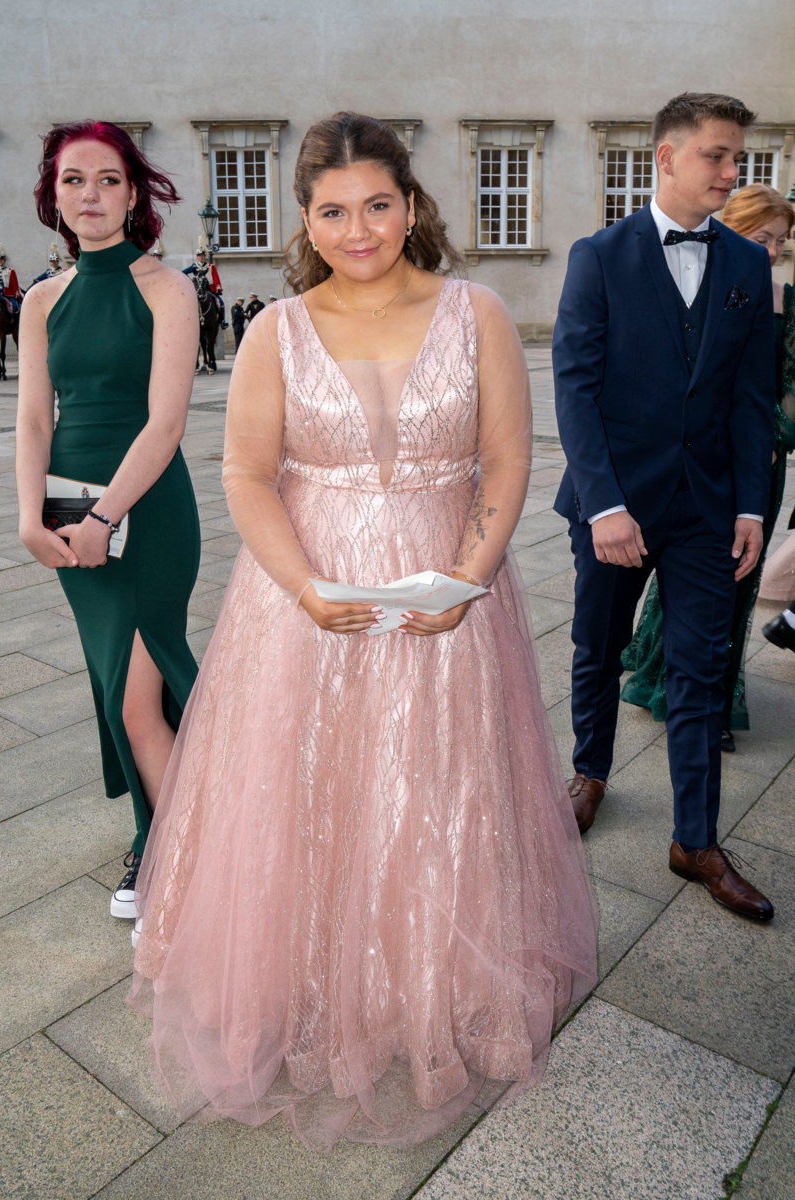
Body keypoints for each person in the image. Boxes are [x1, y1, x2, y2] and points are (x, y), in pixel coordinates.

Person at [130, 112, 597, 1151]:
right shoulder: (274, 330)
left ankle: (430, 982)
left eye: (377, 204)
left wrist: (465, 580)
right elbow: (247, 476)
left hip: (448, 590)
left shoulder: (474, 313)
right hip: (305, 605)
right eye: (333, 210)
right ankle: (304, 983)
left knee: (440, 790)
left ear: (411, 203)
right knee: (309, 790)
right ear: (305, 217)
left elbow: (508, 462)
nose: (358, 229)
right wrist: (303, 587)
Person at [553, 92, 776, 920]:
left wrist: (752, 508)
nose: (732, 172)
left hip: (708, 509)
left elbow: (753, 401)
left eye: (737, 158)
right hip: (613, 505)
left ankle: (696, 839)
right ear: (667, 157)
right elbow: (574, 389)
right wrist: (604, 504)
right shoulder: (598, 256)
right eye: (718, 155)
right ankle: (590, 772)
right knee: (598, 645)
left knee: (701, 668)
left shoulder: (751, 267)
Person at [16, 120, 201, 923]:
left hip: (148, 513)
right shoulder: (40, 299)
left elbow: (165, 425)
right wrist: (31, 516)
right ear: (53, 196)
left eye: (107, 180)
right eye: (73, 181)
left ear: (135, 194)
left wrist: (103, 513)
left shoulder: (166, 287)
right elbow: (31, 417)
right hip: (67, 511)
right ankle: (169, 827)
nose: (89, 195)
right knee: (115, 683)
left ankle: (175, 853)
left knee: (134, 697)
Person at [622, 184, 795, 748]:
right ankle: (665, 677)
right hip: (690, 459)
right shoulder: (689, 284)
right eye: (760, 237)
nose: (769, 250)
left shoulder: (784, 301)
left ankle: (713, 699)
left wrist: (770, 435)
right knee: (677, 577)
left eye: (779, 241)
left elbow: (785, 391)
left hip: (751, 468)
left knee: (732, 585)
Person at [183, 246, 228, 327]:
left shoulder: (209, 266)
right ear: (197, 257)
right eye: (199, 256)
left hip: (208, 289)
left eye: (202, 255)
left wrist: (217, 288)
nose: (201, 257)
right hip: (197, 290)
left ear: (204, 256)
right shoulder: (194, 266)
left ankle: (223, 321)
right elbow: (183, 272)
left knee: (221, 302)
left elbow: (215, 278)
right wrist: (190, 281)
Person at [0, 245, 24, 315]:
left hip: (8, 294)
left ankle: (16, 323)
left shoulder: (10, 271)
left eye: (1, 260)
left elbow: (15, 284)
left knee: (15, 307)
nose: (0, 261)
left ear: (4, 260)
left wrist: (16, 294)